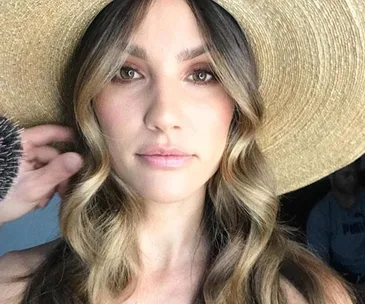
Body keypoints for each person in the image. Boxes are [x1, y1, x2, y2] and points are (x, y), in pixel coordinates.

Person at [1, 0, 365, 303]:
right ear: (89, 102)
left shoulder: (305, 295)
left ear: (237, 108)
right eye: (126, 72)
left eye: (202, 74)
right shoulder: (14, 287)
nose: (164, 115)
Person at [306, 158, 365, 300]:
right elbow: (319, 265)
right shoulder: (321, 214)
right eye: (346, 175)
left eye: (354, 173)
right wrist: (350, 290)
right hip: (346, 283)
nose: (352, 179)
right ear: (331, 176)